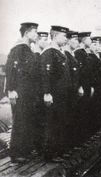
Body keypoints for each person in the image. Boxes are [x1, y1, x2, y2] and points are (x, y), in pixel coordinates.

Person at [5, 22, 39, 163]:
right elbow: (11, 69)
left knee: (27, 121)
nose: (36, 35)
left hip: (28, 92)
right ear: (27, 33)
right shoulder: (18, 49)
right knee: (20, 122)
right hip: (20, 92)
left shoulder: (28, 49)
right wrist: (11, 90)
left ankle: (24, 151)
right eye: (35, 32)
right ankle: (16, 153)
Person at [40, 25, 70, 162]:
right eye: (64, 36)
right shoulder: (49, 52)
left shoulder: (59, 52)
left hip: (62, 95)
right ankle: (50, 154)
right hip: (54, 95)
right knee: (52, 124)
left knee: (60, 123)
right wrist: (47, 93)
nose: (66, 38)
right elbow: (45, 75)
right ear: (56, 36)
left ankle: (58, 151)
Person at [32, 31, 49, 155]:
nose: (46, 42)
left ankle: (41, 146)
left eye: (46, 39)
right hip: (35, 92)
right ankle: (37, 147)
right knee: (37, 119)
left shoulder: (43, 55)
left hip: (41, 91)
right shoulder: (35, 55)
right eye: (43, 39)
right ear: (37, 40)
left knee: (43, 119)